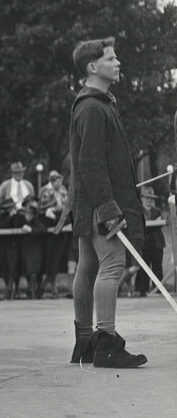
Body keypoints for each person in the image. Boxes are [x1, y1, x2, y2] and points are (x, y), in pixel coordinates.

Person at [56, 37, 146, 368]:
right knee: (112, 265)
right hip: (98, 204)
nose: (118, 62)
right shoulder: (93, 107)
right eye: (111, 58)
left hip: (88, 201)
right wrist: (109, 208)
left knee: (89, 266)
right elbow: (91, 162)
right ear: (94, 67)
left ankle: (85, 343)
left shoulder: (96, 103)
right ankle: (106, 342)